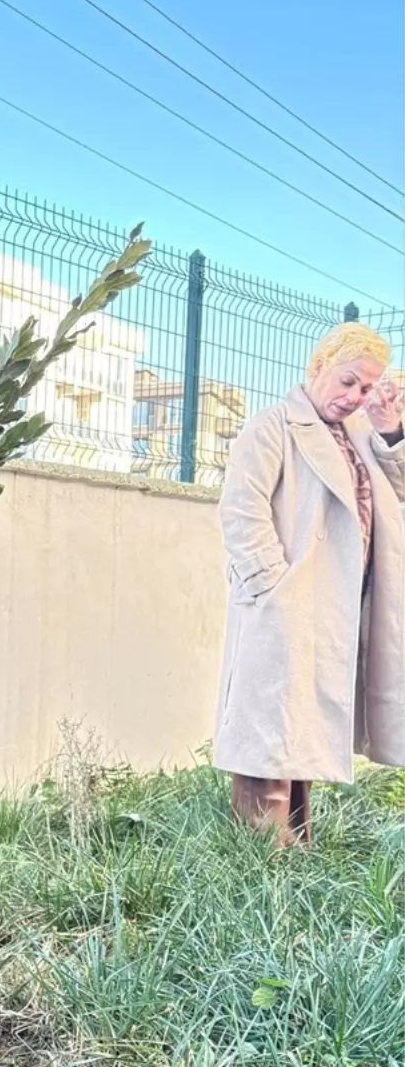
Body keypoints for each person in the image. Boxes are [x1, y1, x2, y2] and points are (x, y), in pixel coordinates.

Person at [214, 322, 405, 844]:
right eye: (347, 381)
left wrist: (391, 431)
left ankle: (294, 846)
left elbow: (398, 494)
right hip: (290, 599)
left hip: (339, 603)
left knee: (298, 726)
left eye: (366, 388)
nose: (355, 396)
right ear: (317, 366)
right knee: (268, 725)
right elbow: (241, 510)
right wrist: (274, 587)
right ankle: (258, 858)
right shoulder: (272, 427)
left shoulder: (361, 437)